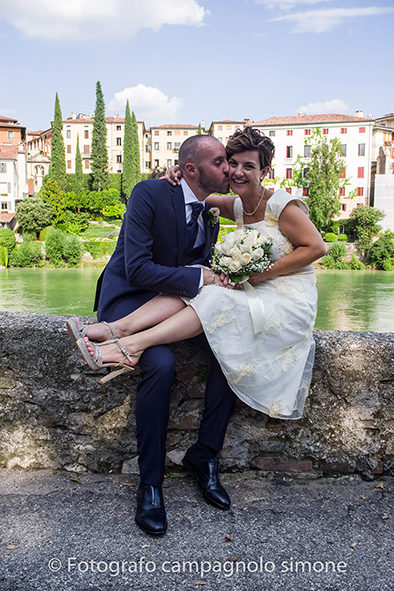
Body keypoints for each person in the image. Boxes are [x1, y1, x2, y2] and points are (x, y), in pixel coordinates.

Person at [69, 135, 238, 537]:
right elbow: (138, 269)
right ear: (191, 169)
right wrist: (202, 277)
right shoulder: (149, 193)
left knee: (234, 350)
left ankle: (205, 456)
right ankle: (150, 486)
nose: (228, 169)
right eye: (220, 162)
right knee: (160, 364)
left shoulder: (210, 213)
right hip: (130, 300)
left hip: (176, 307)